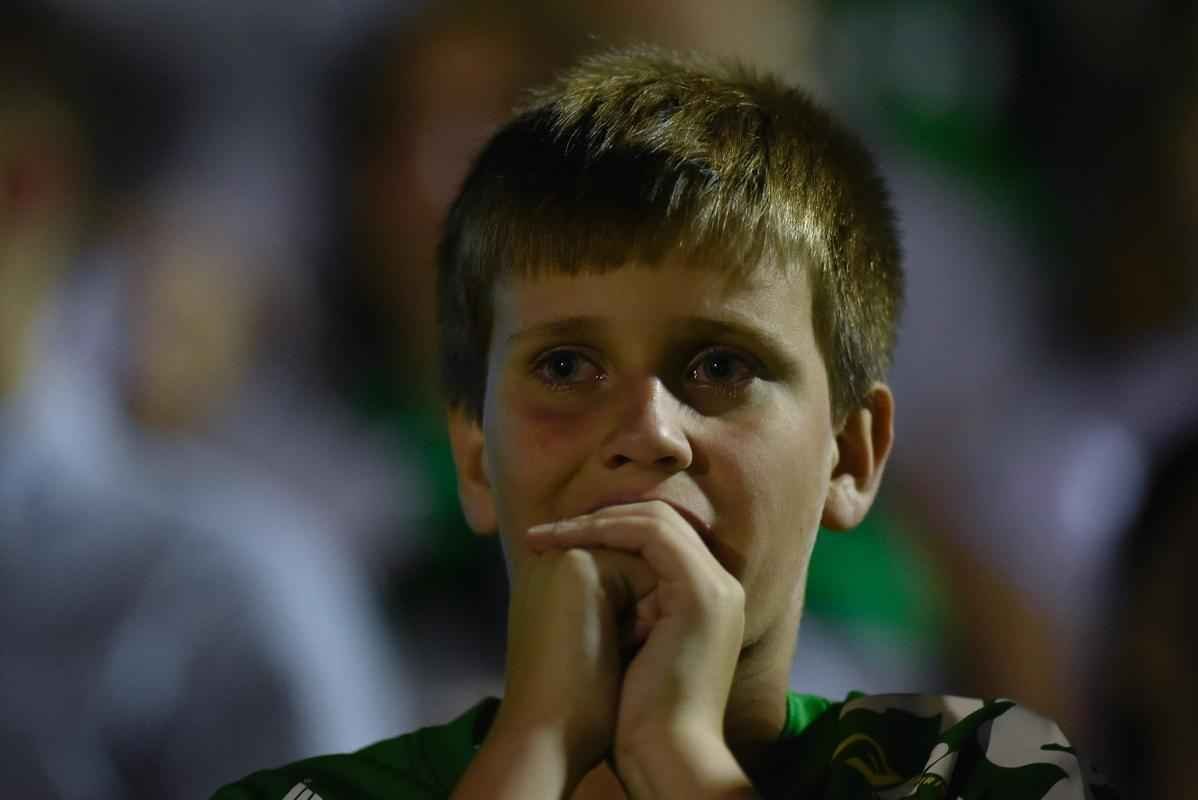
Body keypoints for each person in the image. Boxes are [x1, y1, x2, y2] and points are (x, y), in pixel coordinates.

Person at [213, 46, 1104, 799]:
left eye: (722, 367)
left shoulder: (985, 771)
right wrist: (538, 748)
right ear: (475, 461)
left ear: (852, 456)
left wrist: (675, 755)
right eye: (566, 368)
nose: (647, 431)